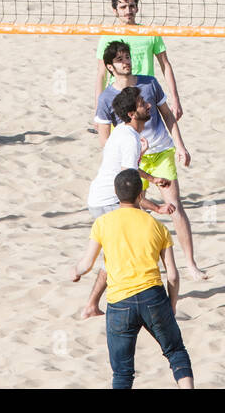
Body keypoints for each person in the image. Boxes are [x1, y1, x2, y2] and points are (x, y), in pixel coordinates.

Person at [72, 167, 193, 390]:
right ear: (141, 196)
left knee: (122, 373)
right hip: (153, 298)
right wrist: (172, 305)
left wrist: (76, 272)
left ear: (117, 195)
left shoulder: (103, 223)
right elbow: (173, 275)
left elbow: (87, 263)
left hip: (120, 303)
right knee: (176, 352)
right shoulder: (157, 226)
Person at [94, 41, 207, 281]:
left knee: (175, 205)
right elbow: (105, 140)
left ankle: (190, 264)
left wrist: (180, 146)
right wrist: (125, 158)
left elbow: (167, 115)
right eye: (120, 59)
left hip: (161, 151)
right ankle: (149, 266)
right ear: (110, 67)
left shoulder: (149, 82)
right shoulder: (106, 98)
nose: (126, 62)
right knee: (137, 213)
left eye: (127, 57)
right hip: (133, 159)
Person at [79, 85, 176, 318]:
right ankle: (96, 302)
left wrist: (152, 178)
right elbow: (129, 185)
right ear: (132, 113)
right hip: (108, 200)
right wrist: (157, 207)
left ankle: (92, 305)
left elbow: (128, 170)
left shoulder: (124, 132)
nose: (149, 105)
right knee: (119, 253)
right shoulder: (130, 139)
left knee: (114, 255)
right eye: (143, 103)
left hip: (103, 198)